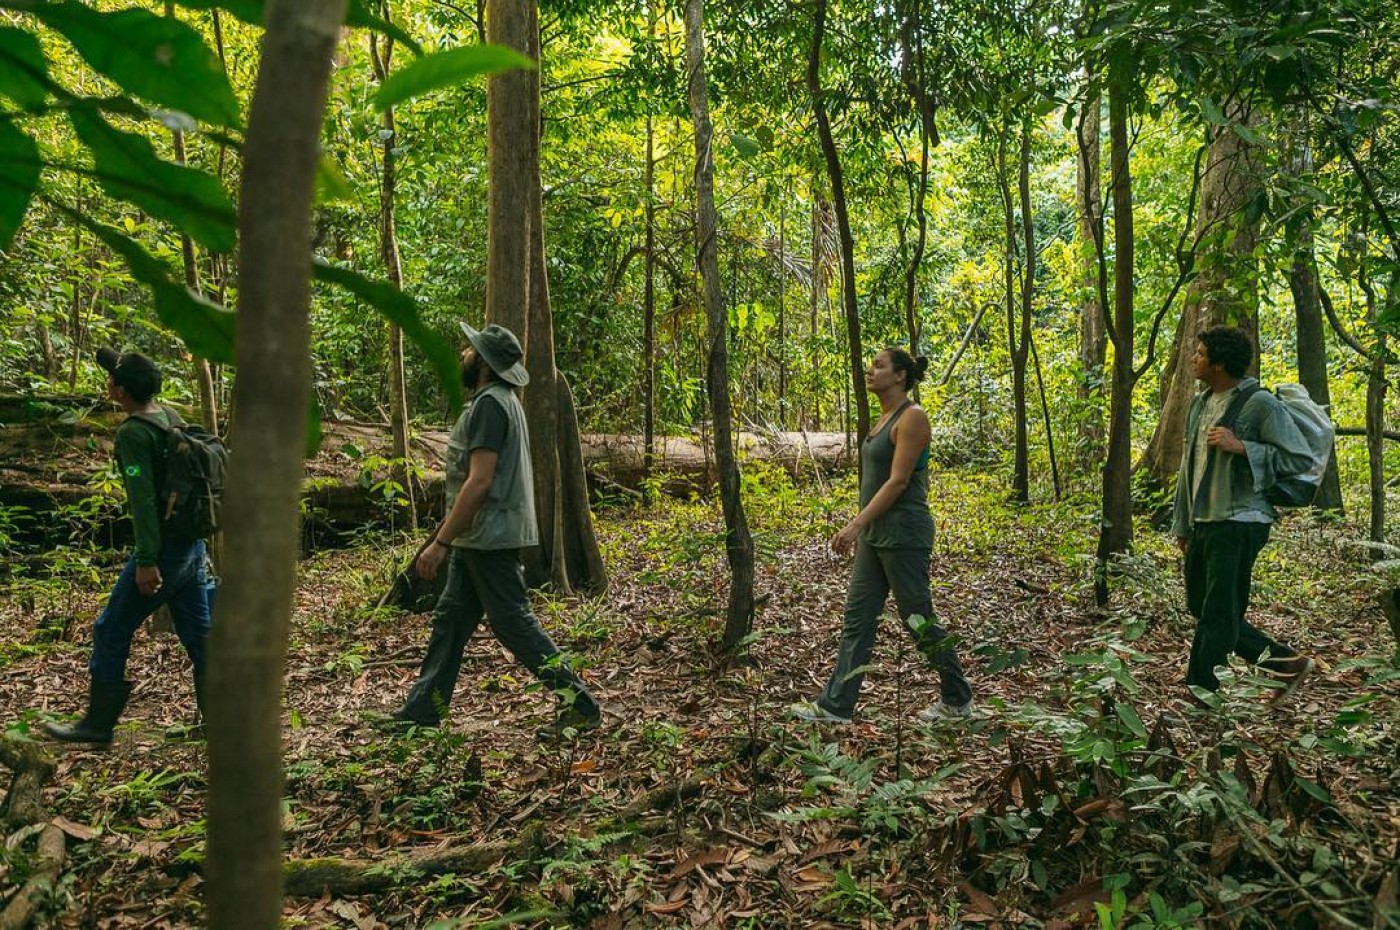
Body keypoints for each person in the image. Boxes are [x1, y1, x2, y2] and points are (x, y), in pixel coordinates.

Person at [380, 321, 602, 741]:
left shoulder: (488, 407)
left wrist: (440, 542)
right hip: (478, 537)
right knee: (449, 620)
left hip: (487, 537)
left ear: (482, 363)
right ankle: (421, 712)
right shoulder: (502, 402)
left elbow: (479, 481)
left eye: (469, 351)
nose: (463, 354)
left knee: (513, 623)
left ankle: (581, 706)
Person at [789, 347, 973, 725]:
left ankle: (958, 699)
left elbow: (899, 481)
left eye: (879, 366)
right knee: (858, 618)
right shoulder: (884, 419)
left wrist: (854, 524)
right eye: (871, 365)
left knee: (917, 619)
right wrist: (863, 527)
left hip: (905, 534)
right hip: (875, 536)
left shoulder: (913, 417)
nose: (870, 371)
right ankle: (835, 706)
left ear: (900, 375)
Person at [43, 350, 212, 744]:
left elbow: (143, 501)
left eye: (112, 381)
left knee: (111, 628)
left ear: (118, 391)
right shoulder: (169, 417)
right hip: (191, 547)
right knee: (201, 636)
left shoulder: (133, 433)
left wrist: (147, 561)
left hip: (165, 552)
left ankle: (97, 725)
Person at [1171, 326, 1315, 699]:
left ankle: (1201, 695)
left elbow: (1300, 457)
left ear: (1218, 364)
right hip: (1205, 519)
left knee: (1218, 612)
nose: (1193, 359)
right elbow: (1189, 465)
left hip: (1241, 520)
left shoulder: (1260, 403)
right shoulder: (1200, 404)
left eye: (1200, 354)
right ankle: (1285, 662)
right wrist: (1183, 524)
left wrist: (1243, 447)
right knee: (1200, 604)